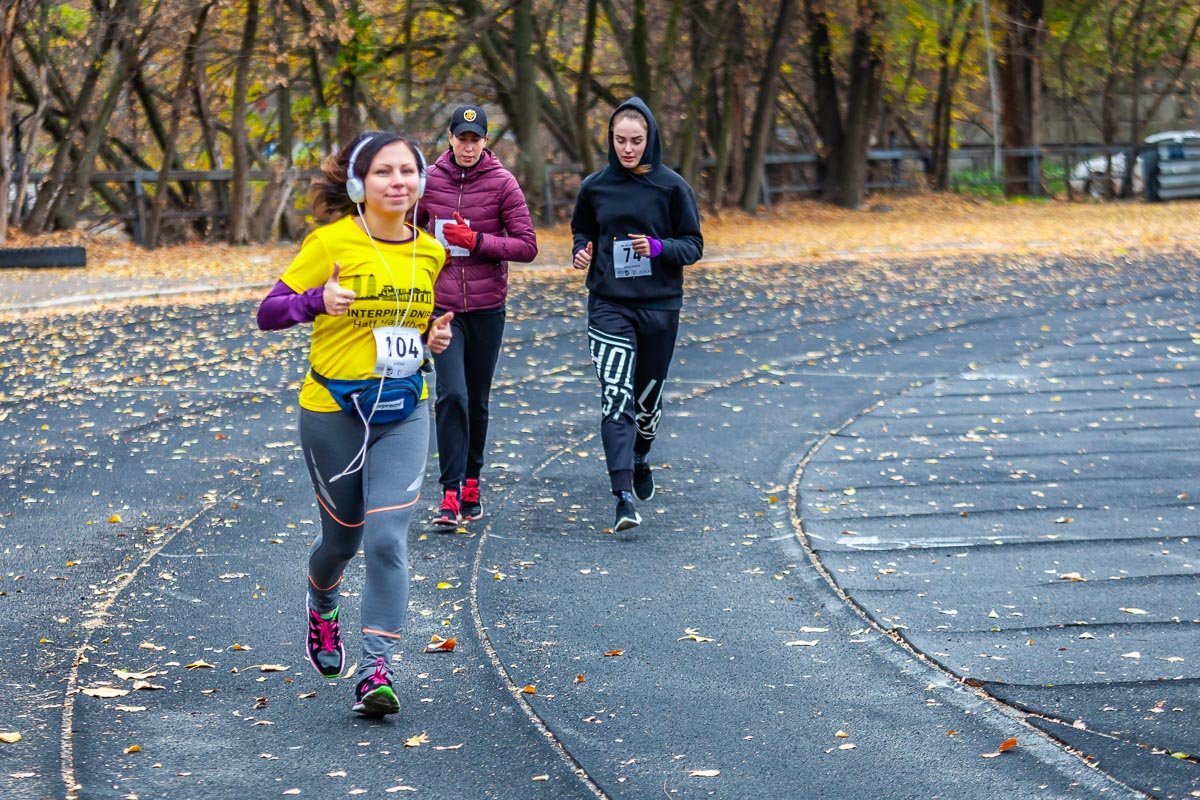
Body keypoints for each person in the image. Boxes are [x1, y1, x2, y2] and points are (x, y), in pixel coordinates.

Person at [256, 131, 452, 717]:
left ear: (420, 182)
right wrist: (316, 301)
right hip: (333, 411)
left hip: (404, 406)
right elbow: (268, 313)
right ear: (357, 184)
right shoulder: (331, 242)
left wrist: (431, 340)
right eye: (384, 172)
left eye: (408, 172)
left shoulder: (430, 252)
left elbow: (411, 331)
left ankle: (376, 670)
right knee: (342, 540)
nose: (398, 182)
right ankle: (322, 601)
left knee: (388, 540)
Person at [571, 97, 703, 532]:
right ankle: (622, 496)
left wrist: (660, 247)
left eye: (636, 141)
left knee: (647, 403)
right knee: (616, 395)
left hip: (659, 306)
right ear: (610, 140)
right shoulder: (595, 186)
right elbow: (583, 228)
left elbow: (694, 245)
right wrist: (581, 249)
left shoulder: (672, 187)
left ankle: (642, 454)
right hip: (609, 303)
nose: (628, 149)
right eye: (620, 141)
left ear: (650, 140)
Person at [418, 104, 538, 527]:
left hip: (487, 308)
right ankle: (449, 494)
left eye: (475, 139)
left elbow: (526, 246)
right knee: (452, 394)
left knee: (478, 401)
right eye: (461, 137)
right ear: (449, 138)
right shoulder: (428, 182)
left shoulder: (503, 183)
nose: (468, 146)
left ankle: (472, 480)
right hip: (443, 309)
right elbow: (408, 234)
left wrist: (479, 240)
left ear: (485, 142)